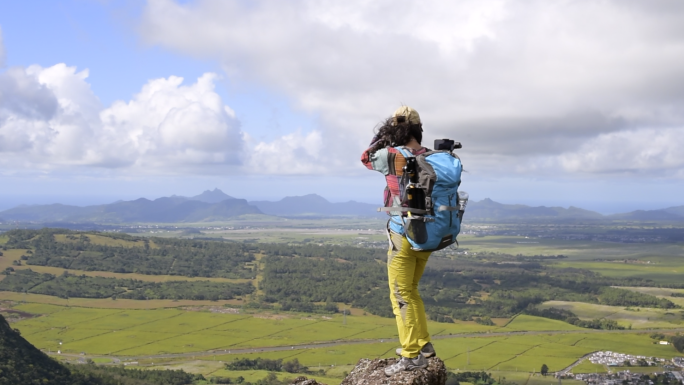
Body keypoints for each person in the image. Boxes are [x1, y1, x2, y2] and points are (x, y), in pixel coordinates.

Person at [361, 106, 436, 376]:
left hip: (402, 233)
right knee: (411, 289)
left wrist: (384, 134)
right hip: (427, 236)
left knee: (400, 294)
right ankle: (424, 344)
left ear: (397, 129)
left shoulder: (392, 155)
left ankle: (411, 355)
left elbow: (365, 158)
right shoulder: (431, 156)